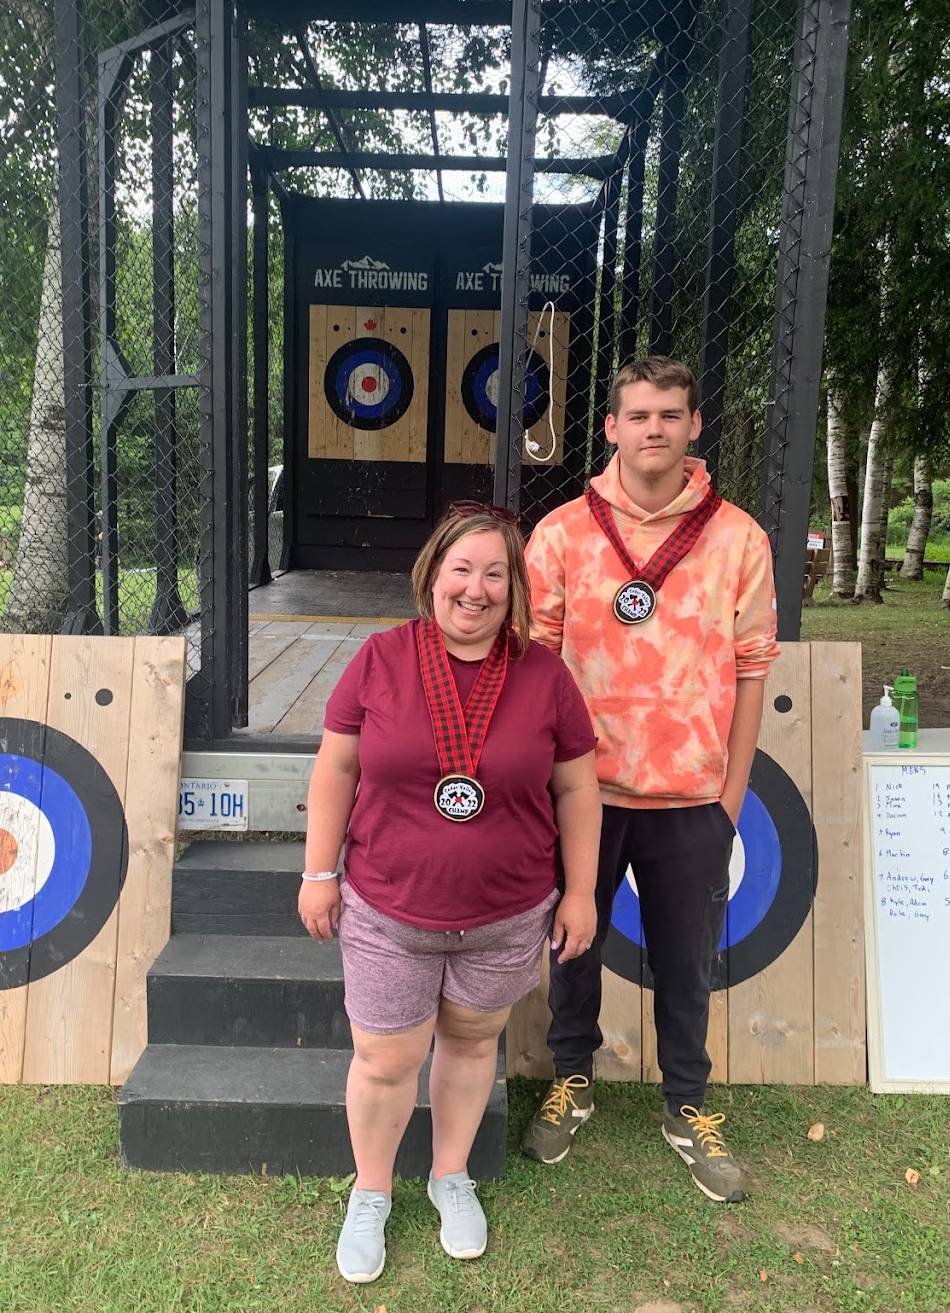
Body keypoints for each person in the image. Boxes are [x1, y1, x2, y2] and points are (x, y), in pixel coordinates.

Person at [298, 501, 601, 1283]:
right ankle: (371, 1191)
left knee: (471, 1045)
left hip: (506, 914)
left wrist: (581, 893)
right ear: (432, 575)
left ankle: (449, 1174)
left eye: (495, 573)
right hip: (389, 907)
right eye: (461, 569)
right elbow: (335, 768)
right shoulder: (382, 658)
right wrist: (318, 870)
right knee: (385, 1057)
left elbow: (576, 788)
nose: (476, 588)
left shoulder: (543, 672)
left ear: (515, 588)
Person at [520, 356, 778, 1203]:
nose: (654, 429)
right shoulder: (561, 533)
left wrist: (730, 798)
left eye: (670, 413)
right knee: (574, 944)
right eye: (638, 415)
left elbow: (750, 674)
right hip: (584, 791)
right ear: (611, 429)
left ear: (694, 425)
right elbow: (536, 667)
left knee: (686, 959)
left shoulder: (738, 537)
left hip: (692, 795)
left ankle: (685, 1105)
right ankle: (572, 1078)